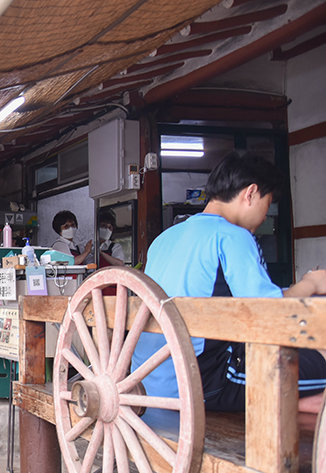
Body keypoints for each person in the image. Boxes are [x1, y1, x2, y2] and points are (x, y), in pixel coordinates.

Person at [132, 152, 326, 413]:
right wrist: (311, 283)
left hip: (148, 379)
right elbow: (269, 312)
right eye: (267, 204)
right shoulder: (232, 235)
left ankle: (296, 402)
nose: (265, 216)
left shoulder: (164, 239)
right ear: (251, 193)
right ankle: (295, 404)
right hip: (202, 380)